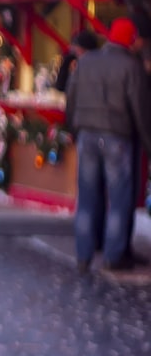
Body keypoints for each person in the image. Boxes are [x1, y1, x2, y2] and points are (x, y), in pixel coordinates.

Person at [66, 17, 151, 273]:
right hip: (118, 138)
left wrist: (73, 129)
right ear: (130, 40)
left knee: (88, 197)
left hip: (87, 136)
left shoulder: (86, 62)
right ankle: (114, 257)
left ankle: (84, 255)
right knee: (119, 199)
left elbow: (71, 97)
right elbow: (140, 110)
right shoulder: (131, 66)